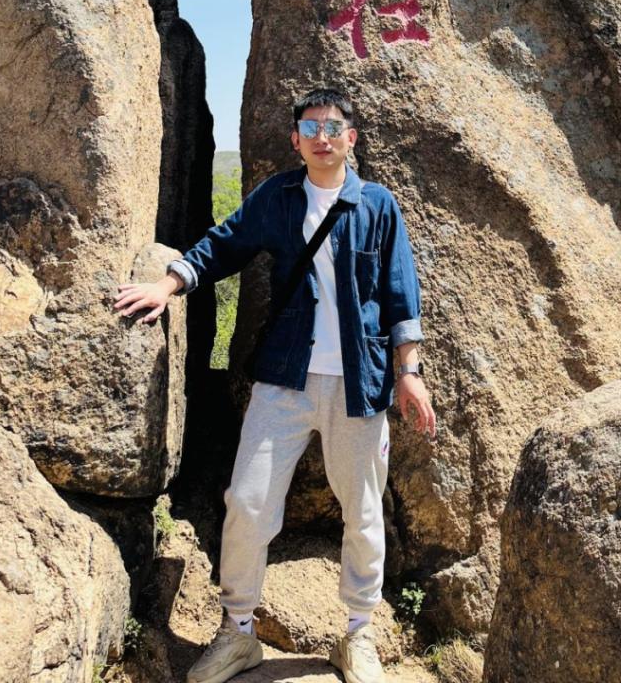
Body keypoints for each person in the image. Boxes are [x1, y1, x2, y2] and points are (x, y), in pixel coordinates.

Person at [113, 87, 436, 683]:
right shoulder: (278, 198)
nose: (321, 137)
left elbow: (401, 295)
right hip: (284, 378)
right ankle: (238, 632)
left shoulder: (378, 205)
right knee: (247, 502)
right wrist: (167, 283)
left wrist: (408, 373)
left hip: (360, 384)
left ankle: (358, 634)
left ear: (350, 138)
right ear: (296, 140)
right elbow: (223, 245)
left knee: (363, 511)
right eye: (310, 128)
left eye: (332, 127)